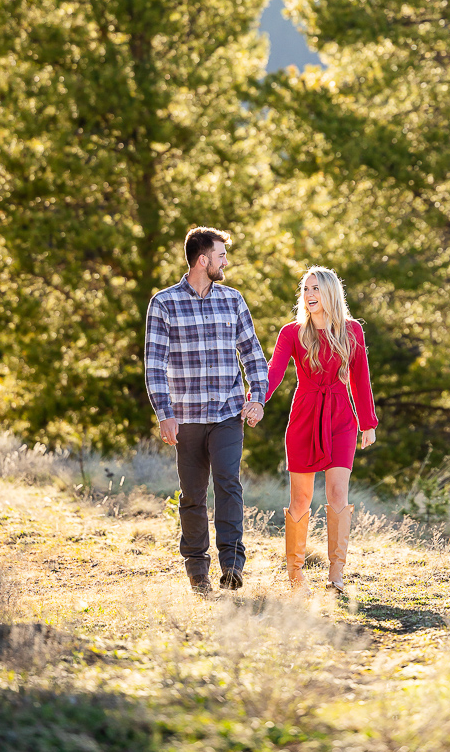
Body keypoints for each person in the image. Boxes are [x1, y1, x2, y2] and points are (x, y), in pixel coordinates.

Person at [144, 226, 267, 596]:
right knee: (193, 495)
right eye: (221, 255)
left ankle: (232, 566)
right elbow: (154, 364)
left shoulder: (233, 300)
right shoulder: (164, 303)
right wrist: (164, 413)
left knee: (229, 484)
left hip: (228, 413)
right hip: (187, 418)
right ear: (203, 260)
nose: (225, 261)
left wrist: (257, 396)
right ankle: (198, 571)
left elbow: (253, 354)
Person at [266, 266, 378, 592]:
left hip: (341, 417)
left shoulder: (352, 331)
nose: (309, 295)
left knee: (337, 493)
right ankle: (295, 576)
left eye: (315, 289)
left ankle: (336, 574)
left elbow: (360, 380)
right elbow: (274, 373)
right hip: (304, 415)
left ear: (329, 293)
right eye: (306, 289)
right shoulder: (292, 333)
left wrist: (367, 423)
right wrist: (256, 399)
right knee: (301, 499)